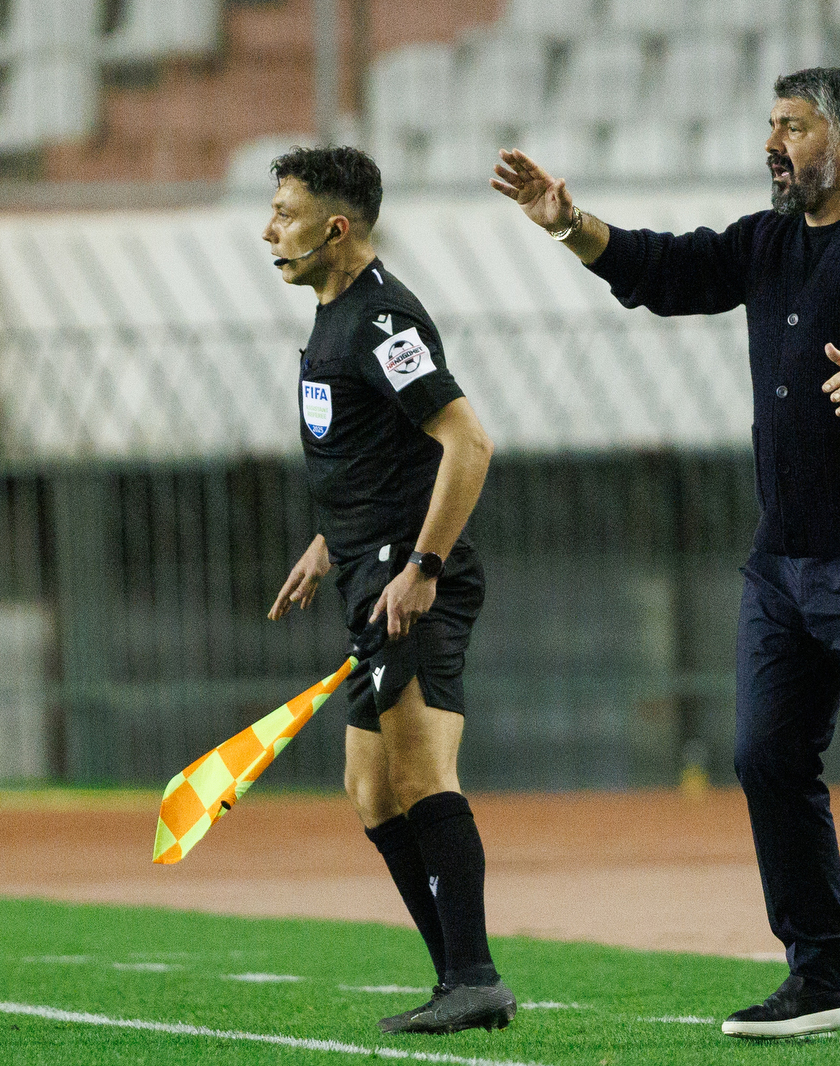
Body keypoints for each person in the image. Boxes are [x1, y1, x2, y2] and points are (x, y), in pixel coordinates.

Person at [492, 68, 840, 1046]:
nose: (773, 144)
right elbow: (665, 272)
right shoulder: (768, 240)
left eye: (794, 127)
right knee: (764, 756)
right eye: (769, 125)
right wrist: (567, 221)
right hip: (783, 568)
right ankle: (823, 973)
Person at [263, 145, 513, 1035]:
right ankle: (459, 977)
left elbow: (466, 443)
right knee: (370, 788)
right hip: (368, 570)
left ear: (336, 227)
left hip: (410, 579)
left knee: (418, 771)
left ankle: (474, 975)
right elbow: (382, 453)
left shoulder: (380, 322)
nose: (269, 232)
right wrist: (330, 543)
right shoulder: (334, 317)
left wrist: (423, 566)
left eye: (285, 215)